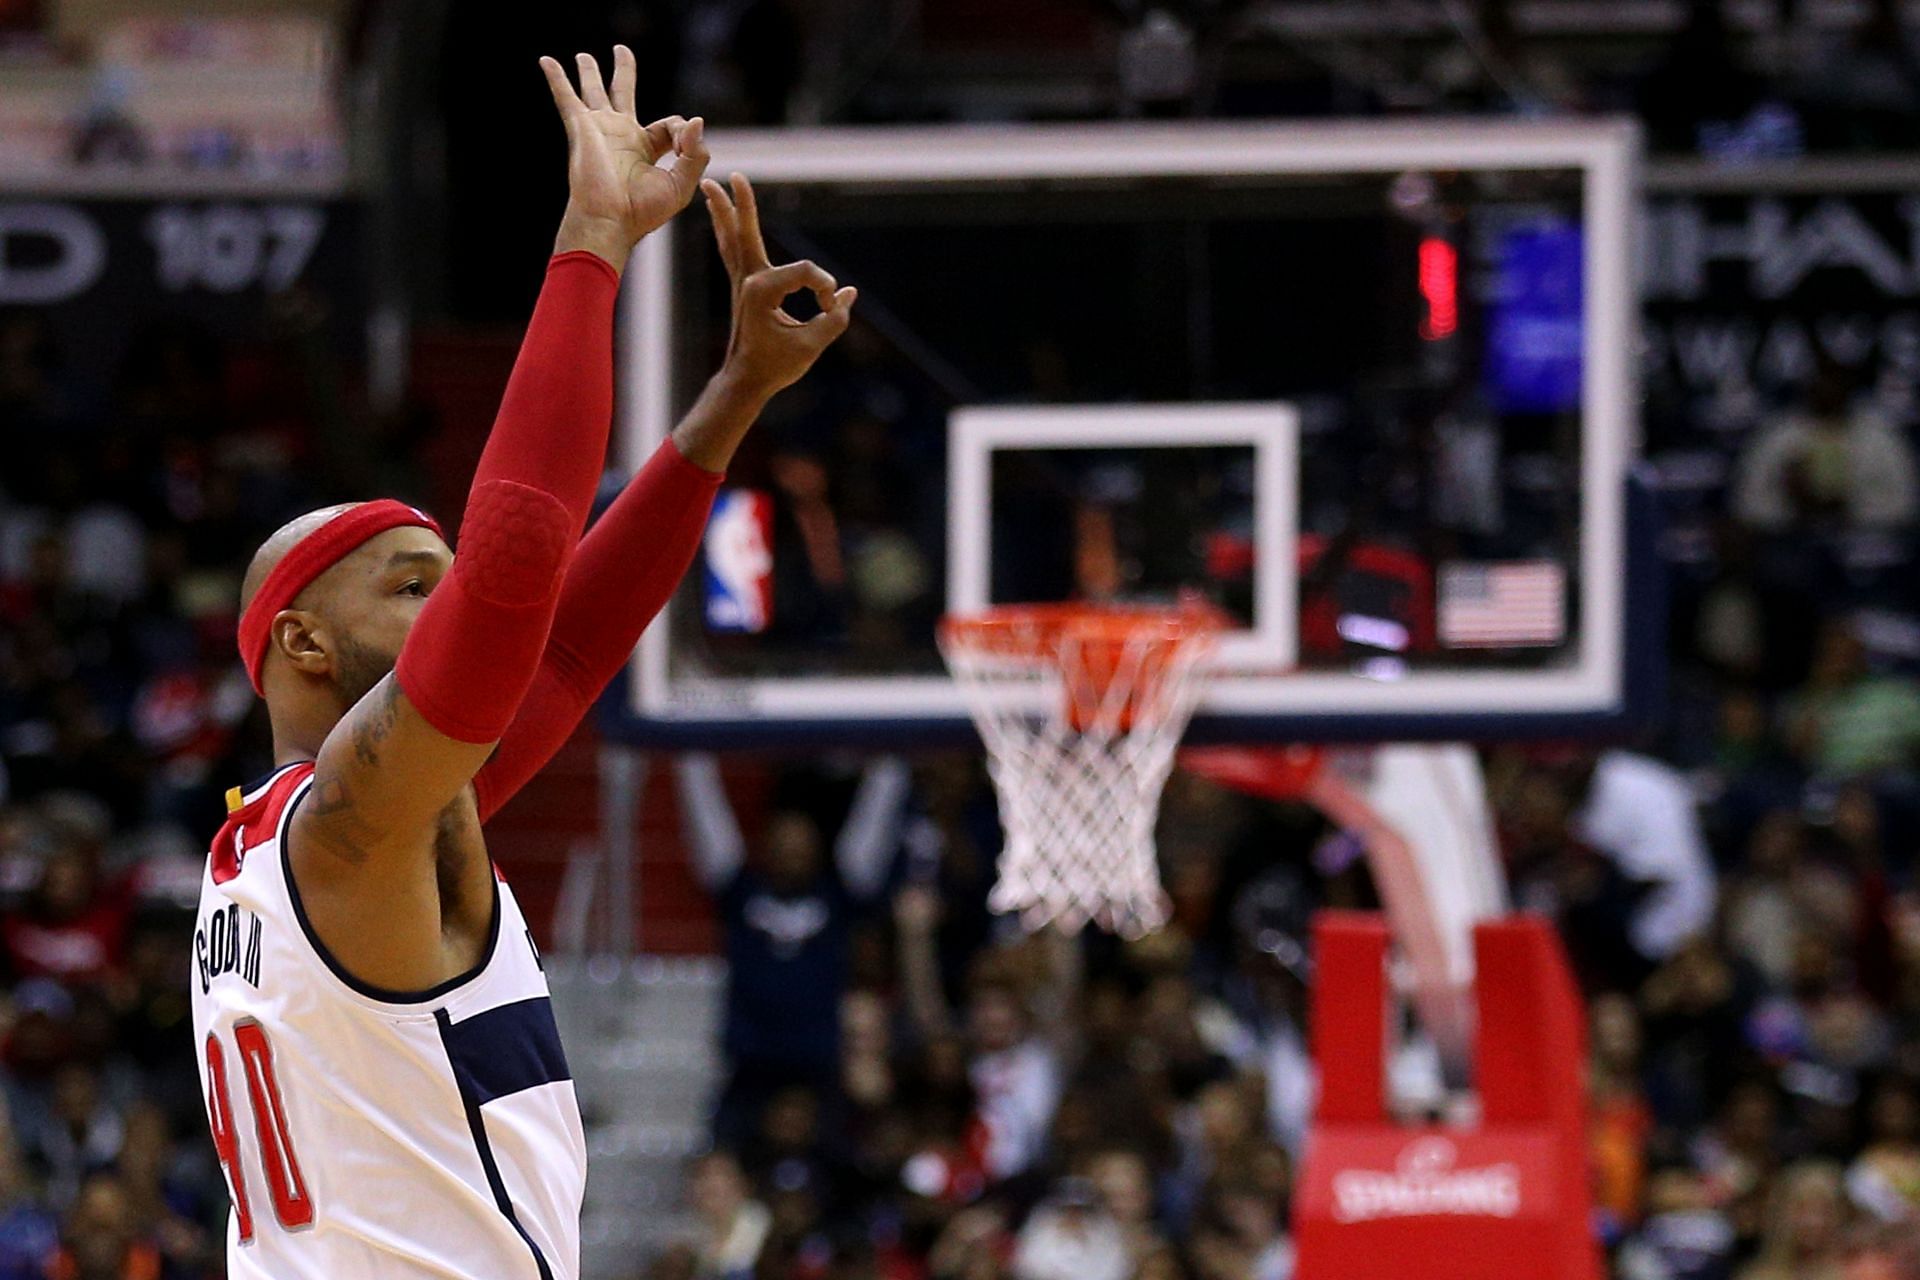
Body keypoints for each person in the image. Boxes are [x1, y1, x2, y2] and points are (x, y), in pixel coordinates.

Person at [187, 46, 856, 1280]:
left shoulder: (317, 839)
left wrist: (733, 394)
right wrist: (590, 243)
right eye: (408, 584)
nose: (450, 606)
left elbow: (566, 650)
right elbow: (512, 582)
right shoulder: (348, 826)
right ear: (304, 639)